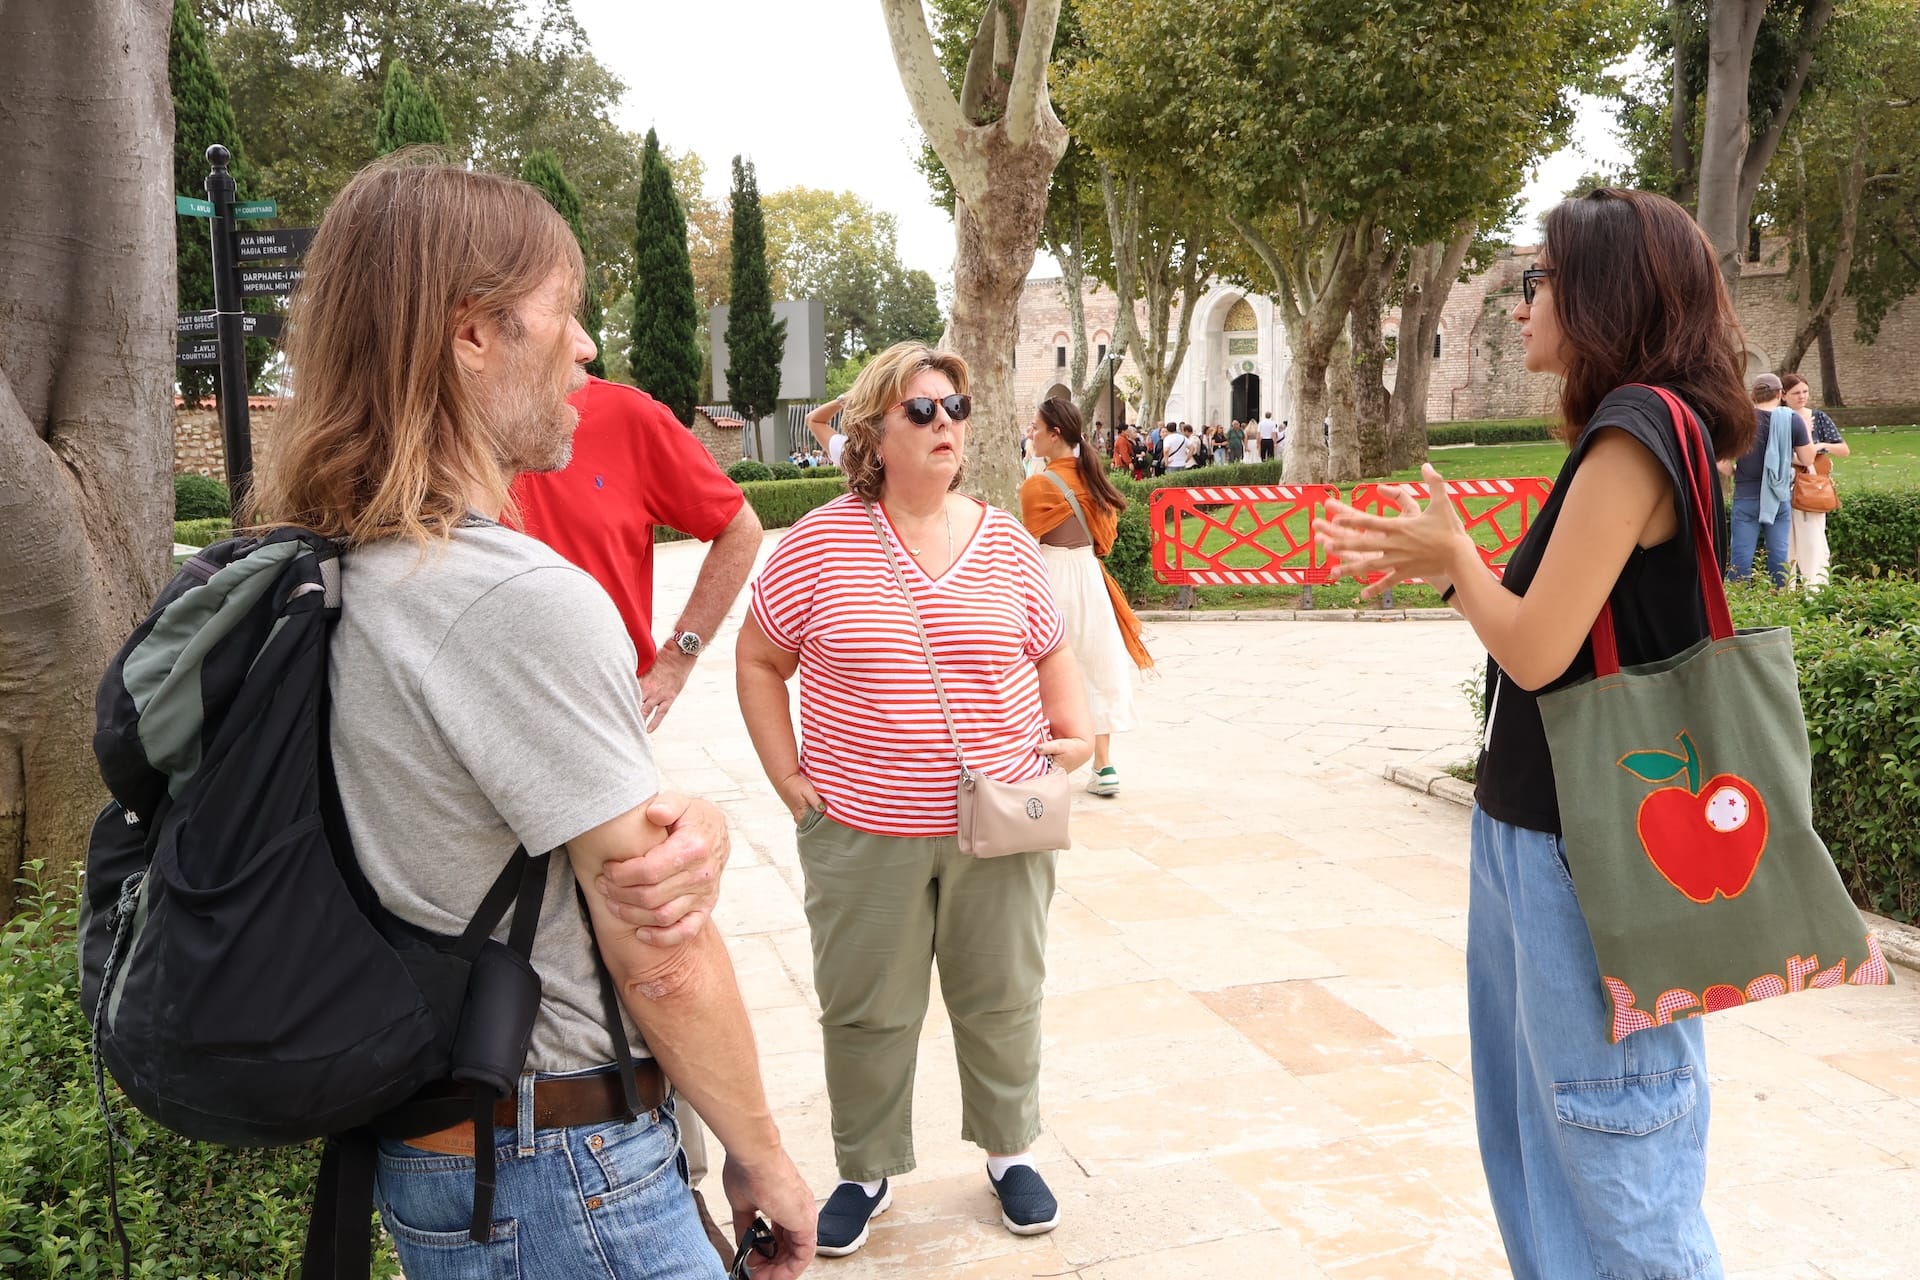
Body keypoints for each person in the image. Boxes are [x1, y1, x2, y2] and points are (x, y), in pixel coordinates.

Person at [253, 159, 814, 1280]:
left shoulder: (321, 566)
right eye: (567, 312)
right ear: (472, 333)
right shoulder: (509, 597)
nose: (588, 349)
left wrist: (664, 807)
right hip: (561, 1167)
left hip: (438, 1151)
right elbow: (658, 950)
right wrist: (763, 1157)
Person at [1320, 188, 1758, 1280]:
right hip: (1546, 830)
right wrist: (1448, 565)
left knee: (1613, 1154)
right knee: (1549, 1145)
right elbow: (1552, 624)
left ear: (1604, 292)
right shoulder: (1644, 427)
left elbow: (1534, 648)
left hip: (1584, 846)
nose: (1522, 306)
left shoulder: (1635, 434)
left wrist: (1458, 559)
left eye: (1540, 281)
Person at [736, 341, 1093, 1258]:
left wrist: (1077, 734)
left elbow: (1052, 648)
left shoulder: (1005, 541)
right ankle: (864, 1168)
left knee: (1003, 996)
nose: (947, 425)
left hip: (1001, 823)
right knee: (866, 1009)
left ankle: (1010, 1153)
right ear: (872, 433)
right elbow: (760, 659)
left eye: (956, 408)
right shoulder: (817, 544)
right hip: (861, 831)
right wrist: (790, 782)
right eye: (922, 410)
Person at [509, 375, 766, 1255]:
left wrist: (677, 657)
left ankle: (679, 1178)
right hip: (481, 736)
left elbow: (737, 525)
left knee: (645, 936)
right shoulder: (428, 425)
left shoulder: (621, 415)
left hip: (599, 731)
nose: (581, 343)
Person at [1020, 398, 1153, 797]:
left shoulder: (1037, 485)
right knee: (1097, 666)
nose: (1031, 433)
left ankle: (1046, 761)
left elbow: (1027, 542)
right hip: (1090, 578)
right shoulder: (1094, 479)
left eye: (1035, 427)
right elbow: (1106, 541)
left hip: (1050, 577)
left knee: (1045, 669)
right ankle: (1104, 765)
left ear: (1054, 434)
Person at [1723, 372, 1814, 587]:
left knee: (1741, 556)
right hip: (1778, 495)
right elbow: (1807, 458)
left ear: (1753, 395)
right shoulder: (1791, 419)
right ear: (1781, 394)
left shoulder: (1740, 419)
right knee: (1779, 555)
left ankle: (1738, 599)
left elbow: (1720, 460)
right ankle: (1780, 599)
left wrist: (1736, 472)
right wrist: (1805, 431)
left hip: (1746, 496)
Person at [1783, 372, 1848, 588]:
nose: (1802, 396)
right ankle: (1787, 592)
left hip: (1811, 486)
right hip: (1785, 483)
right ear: (1784, 395)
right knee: (1787, 544)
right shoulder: (1779, 418)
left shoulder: (1818, 418)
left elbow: (1843, 449)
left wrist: (1821, 445)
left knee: (1813, 541)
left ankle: (1815, 589)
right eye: (1796, 393)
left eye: (1805, 391)